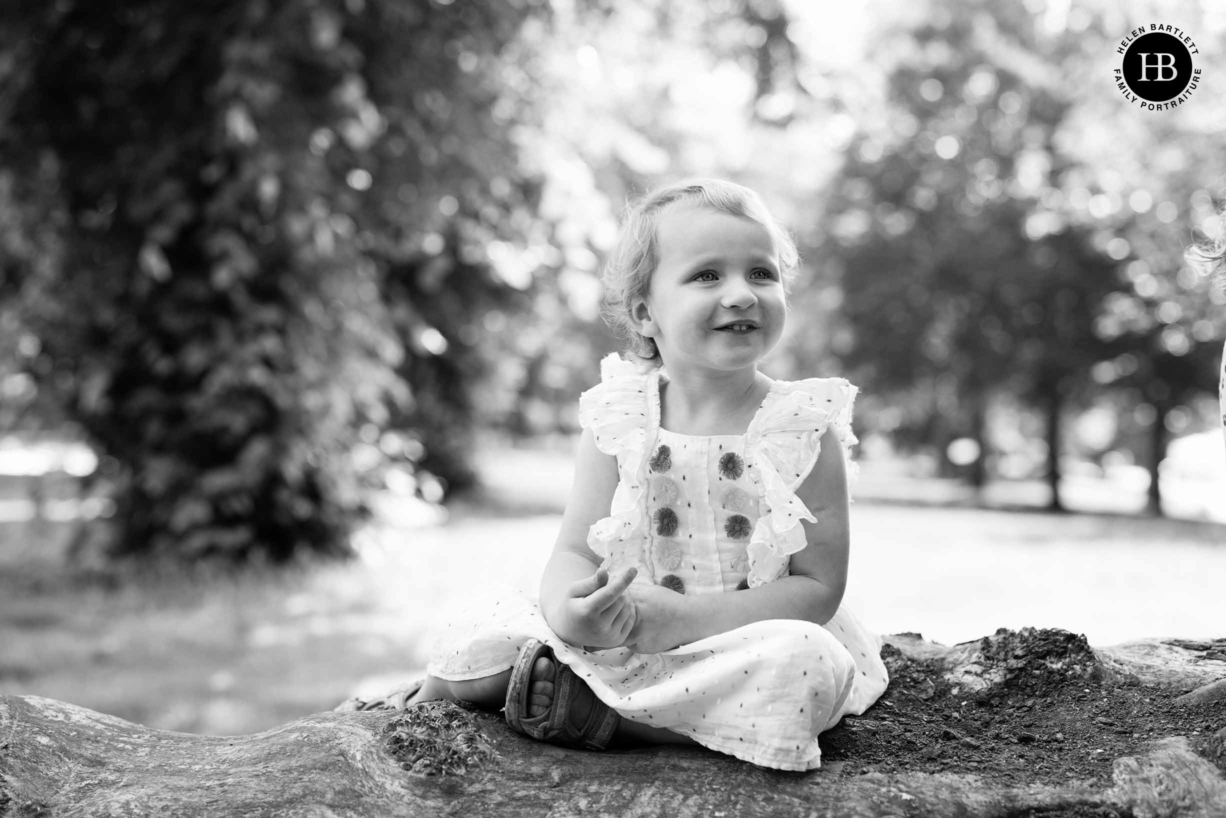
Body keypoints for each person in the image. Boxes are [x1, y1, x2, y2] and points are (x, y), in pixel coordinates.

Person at [342, 179, 889, 771]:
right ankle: (424, 703)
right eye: (707, 275)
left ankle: (608, 718)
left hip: (743, 643)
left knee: (809, 664)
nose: (741, 295)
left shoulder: (800, 429)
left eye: (761, 273)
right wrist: (572, 611)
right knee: (489, 616)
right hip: (626, 638)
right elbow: (577, 548)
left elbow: (817, 588)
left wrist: (684, 621)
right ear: (644, 314)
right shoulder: (623, 418)